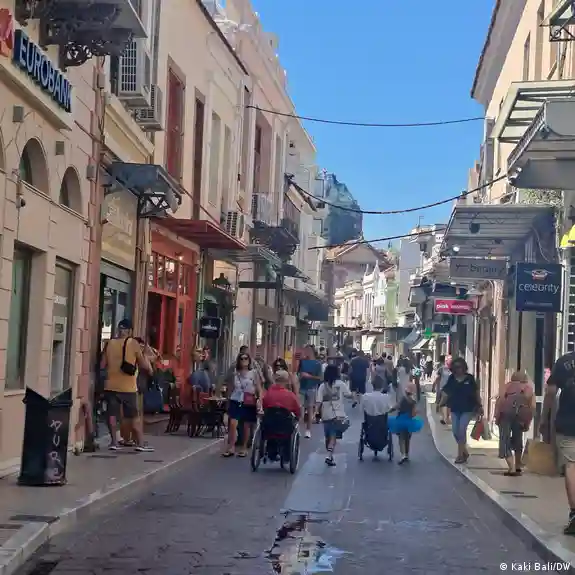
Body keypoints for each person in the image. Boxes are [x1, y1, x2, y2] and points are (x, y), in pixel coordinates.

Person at [100, 319, 154, 452]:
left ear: (118, 330)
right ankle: (140, 443)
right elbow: (143, 365)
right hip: (128, 387)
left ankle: (114, 442)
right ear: (129, 331)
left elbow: (102, 364)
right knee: (134, 416)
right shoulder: (133, 343)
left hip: (111, 385)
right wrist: (146, 358)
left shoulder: (109, 343)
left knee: (112, 415)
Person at [541, 350, 575, 534]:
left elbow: (550, 392)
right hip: (567, 423)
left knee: (571, 466)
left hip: (568, 423)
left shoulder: (563, 362)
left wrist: (544, 418)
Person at [439, 357, 483, 464]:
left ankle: (460, 456)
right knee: (455, 431)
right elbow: (446, 392)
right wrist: (440, 403)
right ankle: (465, 452)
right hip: (455, 408)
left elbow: (476, 393)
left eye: (460, 367)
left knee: (461, 430)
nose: (458, 369)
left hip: (468, 409)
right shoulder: (452, 378)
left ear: (464, 367)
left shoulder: (469, 378)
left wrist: (480, 405)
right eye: (456, 367)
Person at [222, 352, 263, 458]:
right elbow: (230, 388)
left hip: (248, 401)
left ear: (249, 361)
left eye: (246, 358)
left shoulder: (253, 373)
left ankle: (244, 447)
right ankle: (231, 446)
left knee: (246, 426)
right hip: (236, 400)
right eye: (241, 358)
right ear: (238, 360)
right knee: (233, 424)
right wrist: (227, 401)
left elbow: (259, 388)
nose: (244, 360)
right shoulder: (235, 373)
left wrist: (260, 401)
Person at [495, 371, 535, 477]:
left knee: (505, 439)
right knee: (518, 439)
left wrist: (497, 418)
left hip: (505, 416)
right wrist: (527, 423)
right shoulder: (528, 389)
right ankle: (517, 466)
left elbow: (500, 402)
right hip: (520, 417)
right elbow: (532, 408)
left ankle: (511, 467)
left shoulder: (506, 387)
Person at [315, 364, 351, 467]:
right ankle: (329, 455)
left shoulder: (322, 386)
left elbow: (318, 401)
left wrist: (316, 412)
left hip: (326, 415)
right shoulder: (341, 384)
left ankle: (329, 455)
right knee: (332, 436)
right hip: (338, 415)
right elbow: (348, 395)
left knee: (329, 436)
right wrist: (354, 395)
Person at [388, 381, 423, 464]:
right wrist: (415, 413)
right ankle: (407, 454)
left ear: (406, 391)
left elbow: (396, 406)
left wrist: (389, 410)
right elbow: (413, 413)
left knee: (401, 438)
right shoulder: (413, 401)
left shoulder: (403, 399)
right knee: (407, 438)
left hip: (401, 420)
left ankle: (403, 454)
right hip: (409, 421)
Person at [297, 345, 323, 439]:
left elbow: (320, 378)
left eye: (308, 350)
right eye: (305, 350)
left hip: (312, 388)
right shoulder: (302, 361)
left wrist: (309, 376)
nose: (306, 352)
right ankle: (298, 429)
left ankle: (308, 430)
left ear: (312, 351)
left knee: (310, 408)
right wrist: (299, 377)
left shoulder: (317, 364)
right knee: (300, 408)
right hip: (302, 388)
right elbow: (298, 373)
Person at [433, 355, 452, 424]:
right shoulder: (441, 369)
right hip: (442, 389)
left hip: (450, 390)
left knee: (448, 404)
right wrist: (433, 386)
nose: (450, 361)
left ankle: (446, 417)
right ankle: (442, 417)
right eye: (449, 360)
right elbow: (437, 378)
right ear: (446, 361)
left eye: (451, 360)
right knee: (442, 404)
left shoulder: (453, 369)